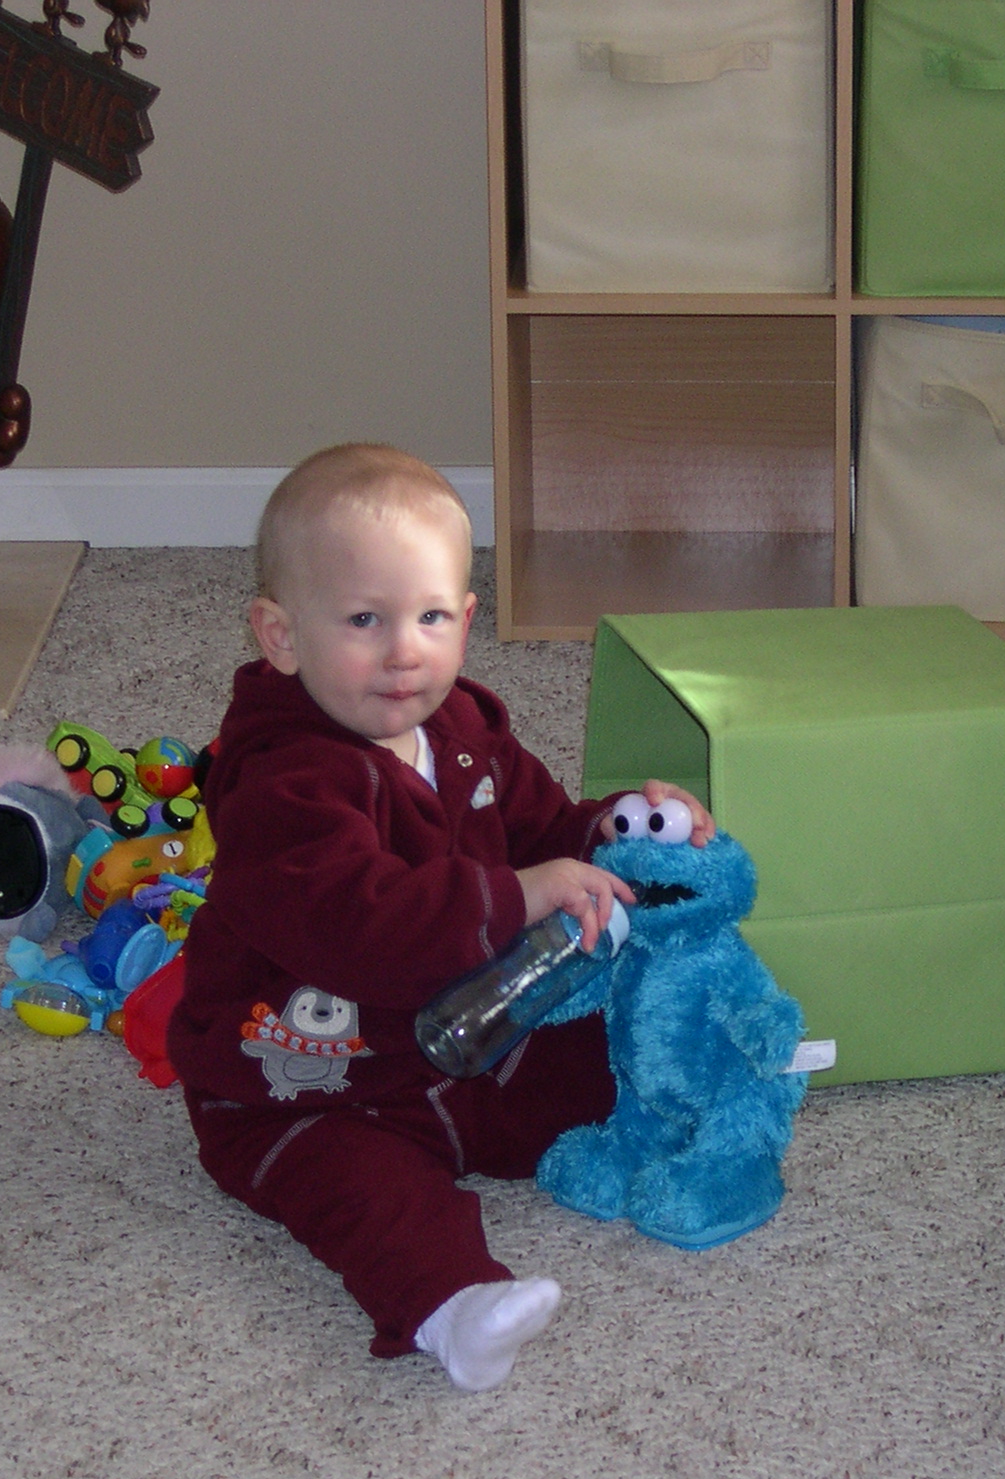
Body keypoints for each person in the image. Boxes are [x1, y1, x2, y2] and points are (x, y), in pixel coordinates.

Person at [168, 443, 712, 1391]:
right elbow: (358, 922)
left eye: (428, 617)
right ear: (281, 634)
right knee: (370, 1196)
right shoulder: (280, 780)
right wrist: (516, 896)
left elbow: (543, 825)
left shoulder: (464, 731)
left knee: (620, 1055)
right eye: (363, 620)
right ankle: (453, 1312)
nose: (402, 650)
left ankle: (713, 1092)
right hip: (309, 1078)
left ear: (465, 620)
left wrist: (621, 831)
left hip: (470, 1036)